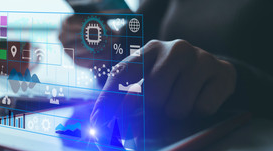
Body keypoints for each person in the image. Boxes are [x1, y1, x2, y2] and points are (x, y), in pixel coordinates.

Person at [59, 0, 273, 130]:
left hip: (251, 140)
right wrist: (107, 53)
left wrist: (236, 79)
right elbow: (137, 49)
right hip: (159, 129)